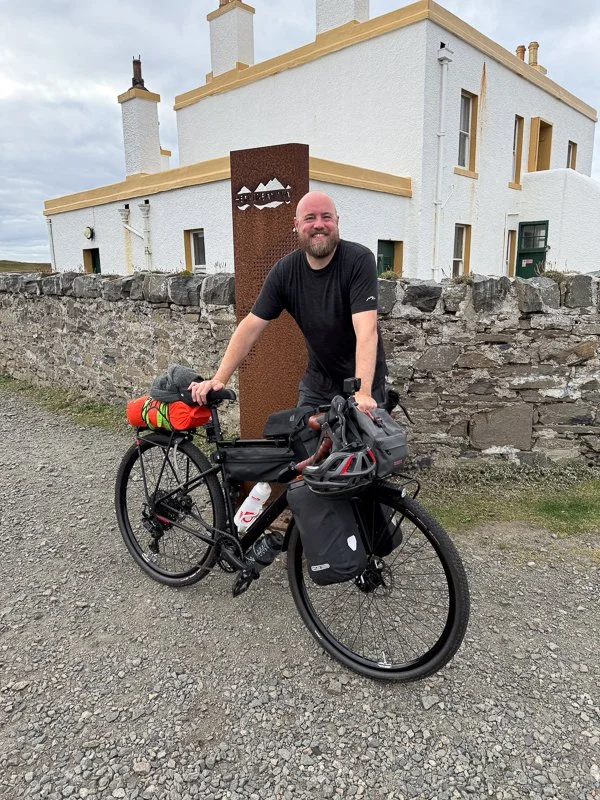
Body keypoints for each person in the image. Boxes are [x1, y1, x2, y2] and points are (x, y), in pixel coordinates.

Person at [189, 191, 387, 413]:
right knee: (301, 433)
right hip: (319, 384)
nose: (319, 224)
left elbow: (366, 330)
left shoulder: (358, 260)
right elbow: (251, 327)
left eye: (326, 217)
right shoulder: (286, 271)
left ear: (337, 221)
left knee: (364, 435)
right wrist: (219, 379)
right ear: (296, 224)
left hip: (364, 383)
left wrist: (363, 392)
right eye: (310, 218)